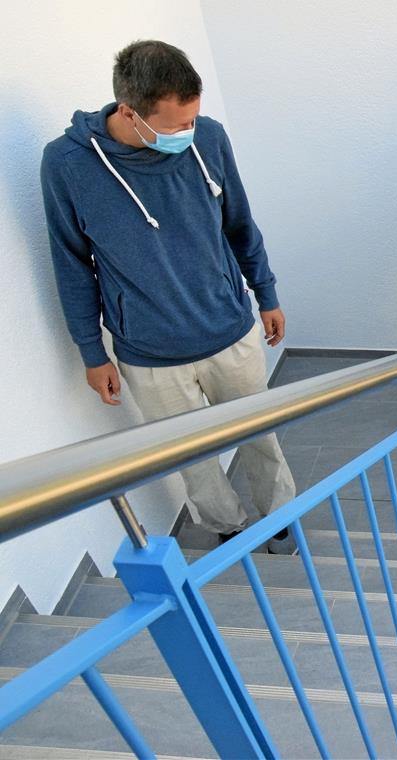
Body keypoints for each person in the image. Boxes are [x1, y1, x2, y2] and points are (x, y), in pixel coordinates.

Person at [41, 40, 296, 552]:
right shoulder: (68, 165)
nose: (188, 133)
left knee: (260, 437)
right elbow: (70, 265)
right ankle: (226, 527)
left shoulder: (211, 140)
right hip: (150, 355)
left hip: (230, 330)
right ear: (130, 112)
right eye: (176, 125)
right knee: (190, 456)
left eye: (193, 120)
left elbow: (240, 225)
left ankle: (279, 519)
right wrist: (93, 352)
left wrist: (265, 293)